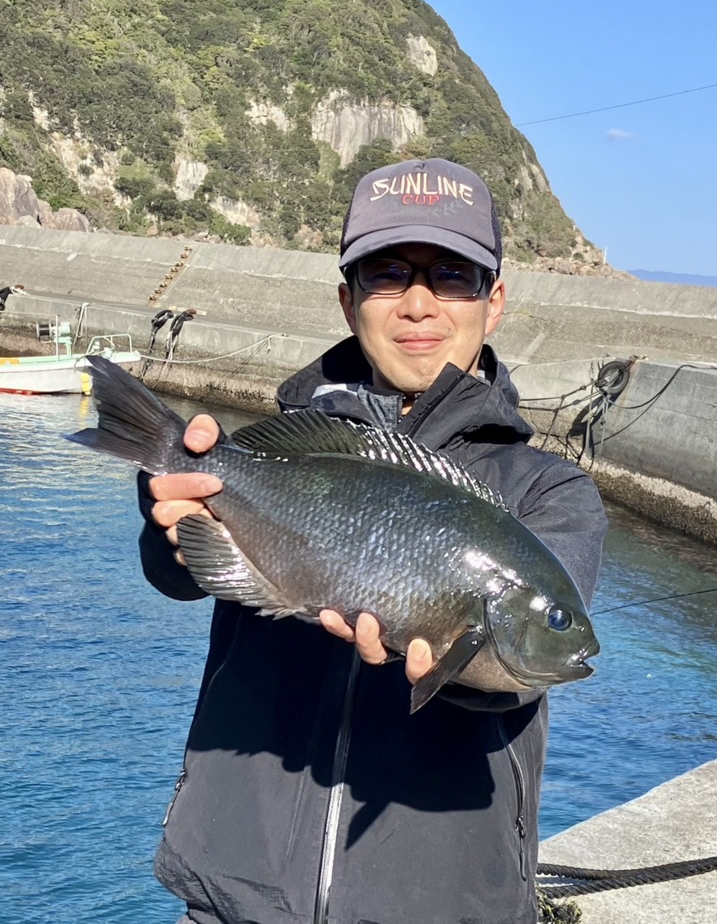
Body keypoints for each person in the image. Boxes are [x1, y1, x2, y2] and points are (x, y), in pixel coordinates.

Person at [138, 158, 608, 924]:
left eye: (452, 275)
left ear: (493, 303)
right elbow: (184, 573)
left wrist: (460, 671)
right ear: (347, 298)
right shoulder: (282, 445)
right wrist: (166, 503)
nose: (419, 302)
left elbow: (521, 674)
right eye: (389, 273)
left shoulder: (548, 491)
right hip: (234, 895)